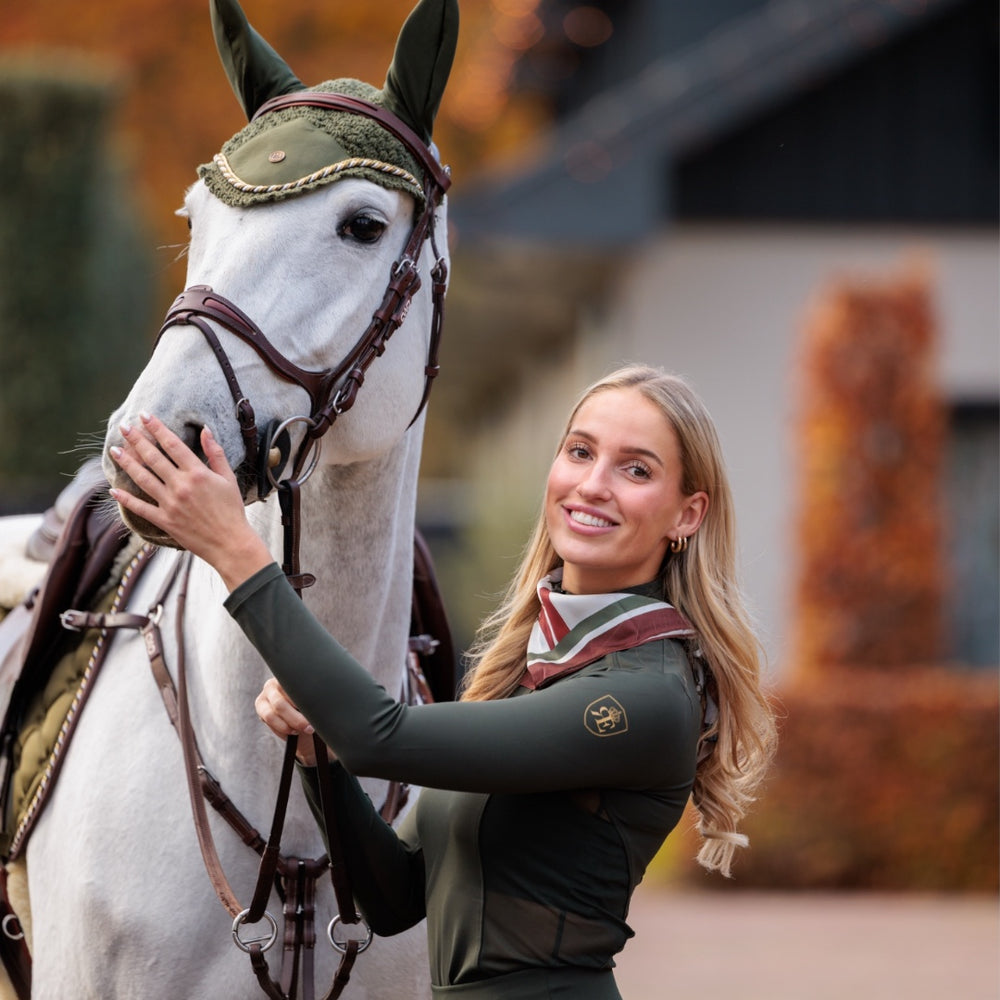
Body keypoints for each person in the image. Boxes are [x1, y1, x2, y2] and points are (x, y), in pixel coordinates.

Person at [110, 363, 776, 999]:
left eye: (635, 469)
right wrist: (320, 759)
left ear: (687, 515)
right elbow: (394, 897)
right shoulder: (539, 667)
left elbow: (378, 734)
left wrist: (235, 548)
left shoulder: (646, 693)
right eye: (579, 452)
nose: (594, 484)